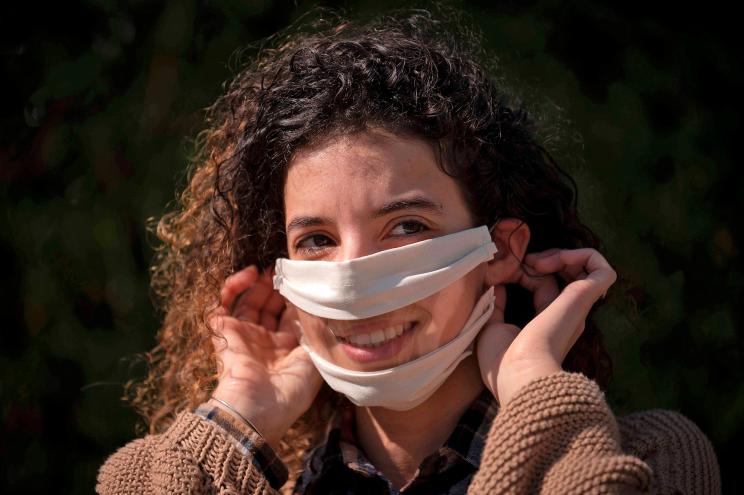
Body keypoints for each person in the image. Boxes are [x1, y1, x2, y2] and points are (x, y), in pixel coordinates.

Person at [96, 8, 721, 494]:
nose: (354, 279)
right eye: (316, 240)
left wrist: (534, 389)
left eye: (405, 226)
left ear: (499, 251)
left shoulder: (654, 461)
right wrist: (240, 414)